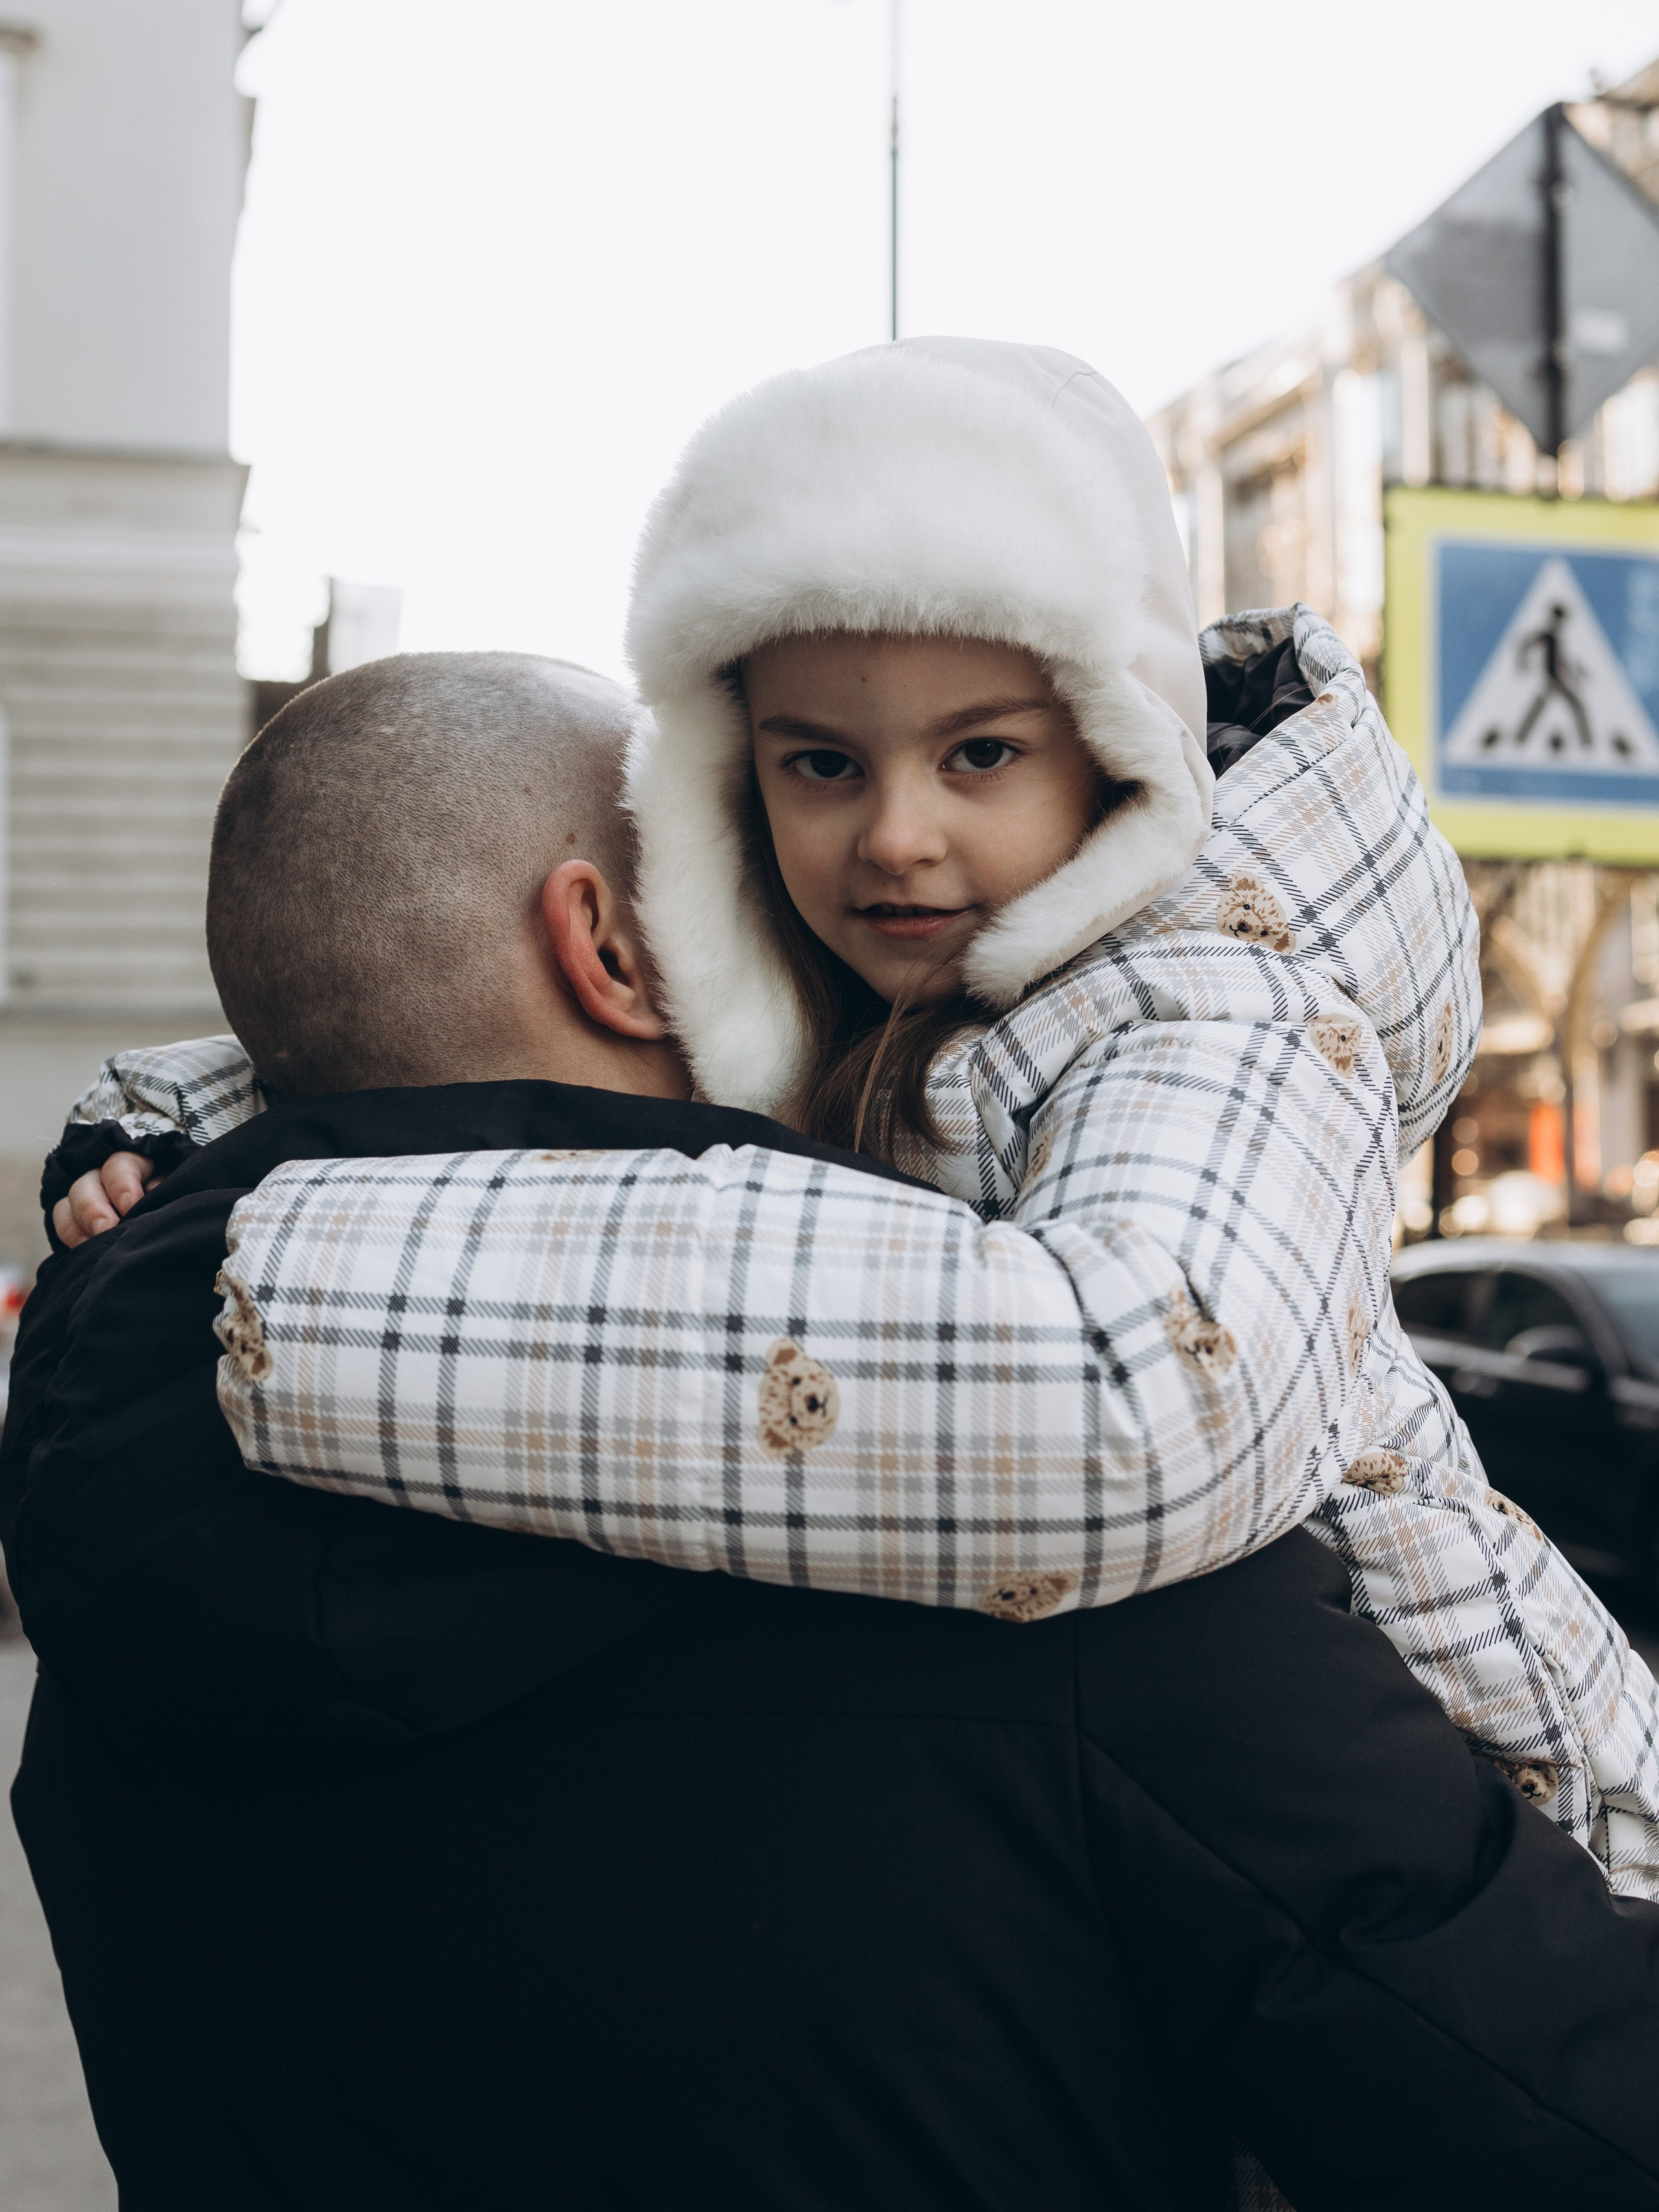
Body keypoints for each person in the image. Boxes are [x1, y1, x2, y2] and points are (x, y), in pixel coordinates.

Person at [17, 652, 1659, 2210]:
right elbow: (1568, 2119)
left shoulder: (115, 1553)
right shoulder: (1056, 1531)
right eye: (737, 855)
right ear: (612, 947)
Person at [108, 340, 1656, 1895]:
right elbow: (477, 1042)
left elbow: (1142, 1407)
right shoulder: (877, 991)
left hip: (1527, 1837)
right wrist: (200, 1131)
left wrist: (277, 1277)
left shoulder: (1218, 1013)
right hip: (1257, 1880)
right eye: (820, 765)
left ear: (1116, 743)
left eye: (978, 750)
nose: (894, 837)